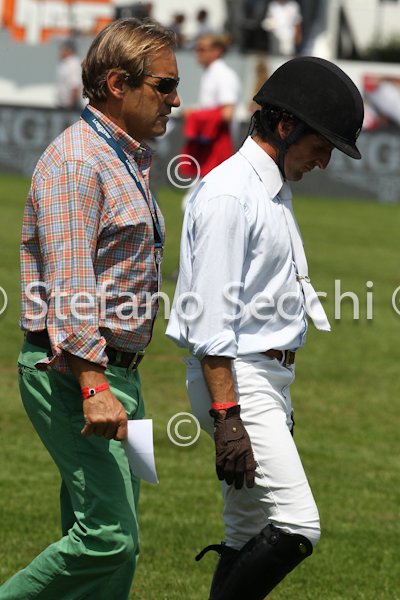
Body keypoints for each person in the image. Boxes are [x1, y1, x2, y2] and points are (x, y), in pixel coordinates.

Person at [166, 56, 363, 600]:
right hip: (239, 380)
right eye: (320, 146)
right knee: (298, 526)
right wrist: (228, 416)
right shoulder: (231, 193)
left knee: (246, 531)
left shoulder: (267, 186)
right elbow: (210, 319)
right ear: (284, 124)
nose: (323, 161)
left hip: (262, 380)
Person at [0, 17, 180, 600]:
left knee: (114, 544)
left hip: (116, 372)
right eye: (165, 85)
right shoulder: (80, 162)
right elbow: (72, 287)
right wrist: (95, 385)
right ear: (117, 84)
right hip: (75, 372)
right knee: (108, 538)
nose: (176, 100)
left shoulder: (122, 157)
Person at [179, 33, 240, 206]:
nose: (197, 53)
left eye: (202, 49)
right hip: (208, 142)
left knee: (198, 201)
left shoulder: (223, 74)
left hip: (217, 144)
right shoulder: (212, 73)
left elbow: (227, 113)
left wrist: (195, 116)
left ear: (217, 51)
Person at [55, 39, 84, 110]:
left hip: (70, 107)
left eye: (62, 49)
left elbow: (75, 87)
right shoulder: (66, 64)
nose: (60, 52)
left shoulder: (73, 64)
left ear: (69, 50)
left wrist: (70, 108)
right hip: (63, 106)